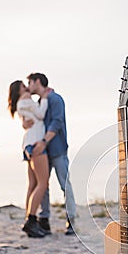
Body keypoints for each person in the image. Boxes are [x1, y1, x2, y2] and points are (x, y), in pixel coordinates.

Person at [25, 73, 76, 235]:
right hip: (43, 152)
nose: (28, 86)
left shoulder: (55, 99)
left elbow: (57, 122)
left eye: (30, 82)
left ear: (37, 81)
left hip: (57, 149)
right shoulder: (40, 102)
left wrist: (44, 142)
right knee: (44, 185)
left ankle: (72, 220)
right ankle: (44, 220)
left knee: (64, 184)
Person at [8, 80, 49, 238]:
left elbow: (28, 120)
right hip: (36, 143)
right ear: (20, 91)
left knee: (32, 184)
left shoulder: (20, 103)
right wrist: (44, 97)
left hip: (27, 144)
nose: (27, 89)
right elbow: (41, 114)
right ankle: (31, 221)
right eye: (24, 87)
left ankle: (29, 219)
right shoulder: (26, 99)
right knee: (42, 183)